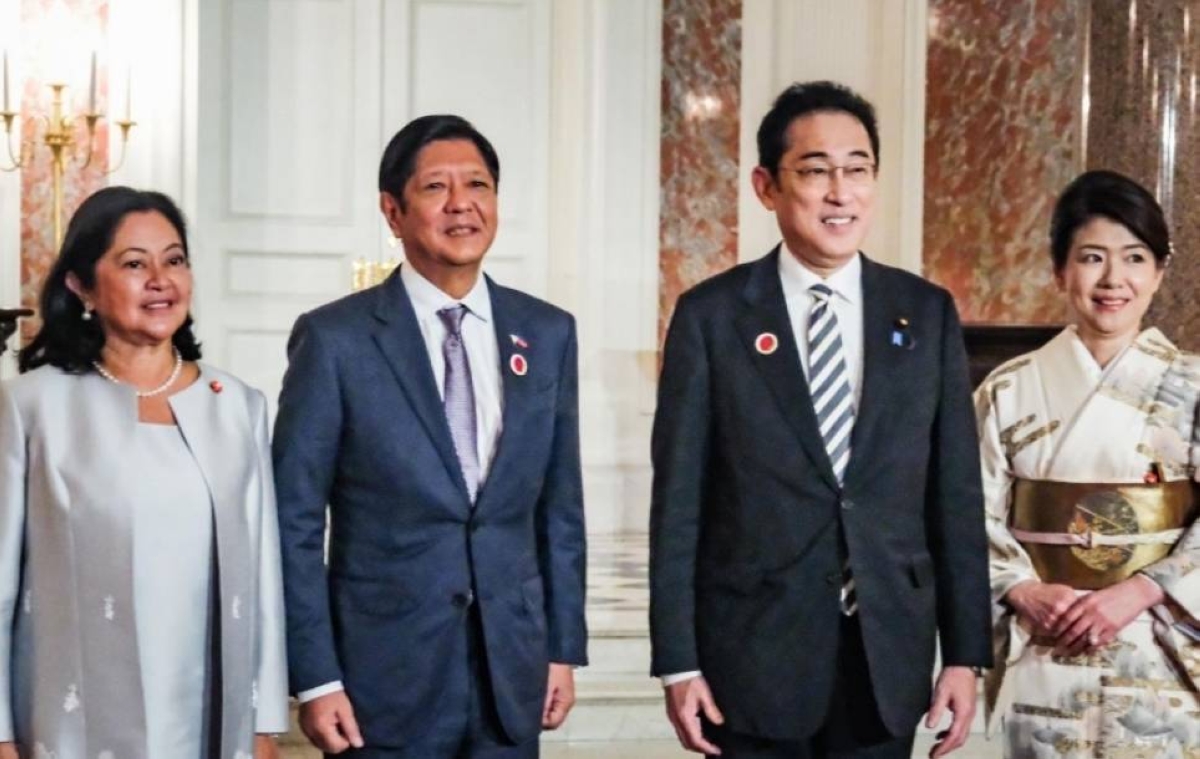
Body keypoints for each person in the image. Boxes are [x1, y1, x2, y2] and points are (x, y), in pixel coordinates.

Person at [648, 80, 992, 758]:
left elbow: (955, 497)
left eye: (857, 169)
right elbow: (678, 501)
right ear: (766, 186)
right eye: (814, 170)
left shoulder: (924, 313)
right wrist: (678, 661)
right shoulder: (712, 317)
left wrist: (964, 653)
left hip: (885, 654)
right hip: (749, 656)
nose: (840, 192)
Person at [274, 114, 587, 758]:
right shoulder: (336, 339)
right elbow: (293, 521)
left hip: (510, 672)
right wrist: (315, 677)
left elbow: (560, 507)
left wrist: (561, 646)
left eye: (478, 184)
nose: (461, 204)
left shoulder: (547, 332)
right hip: (381, 682)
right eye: (435, 188)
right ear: (393, 211)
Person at [0, 186, 289, 758]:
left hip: (211, 714)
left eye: (174, 260)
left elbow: (263, 577)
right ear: (81, 286)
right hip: (72, 721)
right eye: (134, 264)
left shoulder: (237, 405)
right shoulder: (32, 406)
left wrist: (264, 721)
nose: (161, 279)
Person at [977, 170, 1200, 757]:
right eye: (1091, 257)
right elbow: (964, 512)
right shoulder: (1008, 389)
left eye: (1133, 258)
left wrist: (1144, 590)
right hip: (1044, 643)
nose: (1112, 280)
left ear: (1158, 273)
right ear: (1060, 270)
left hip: (1160, 645)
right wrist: (1021, 588)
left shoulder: (1192, 386)